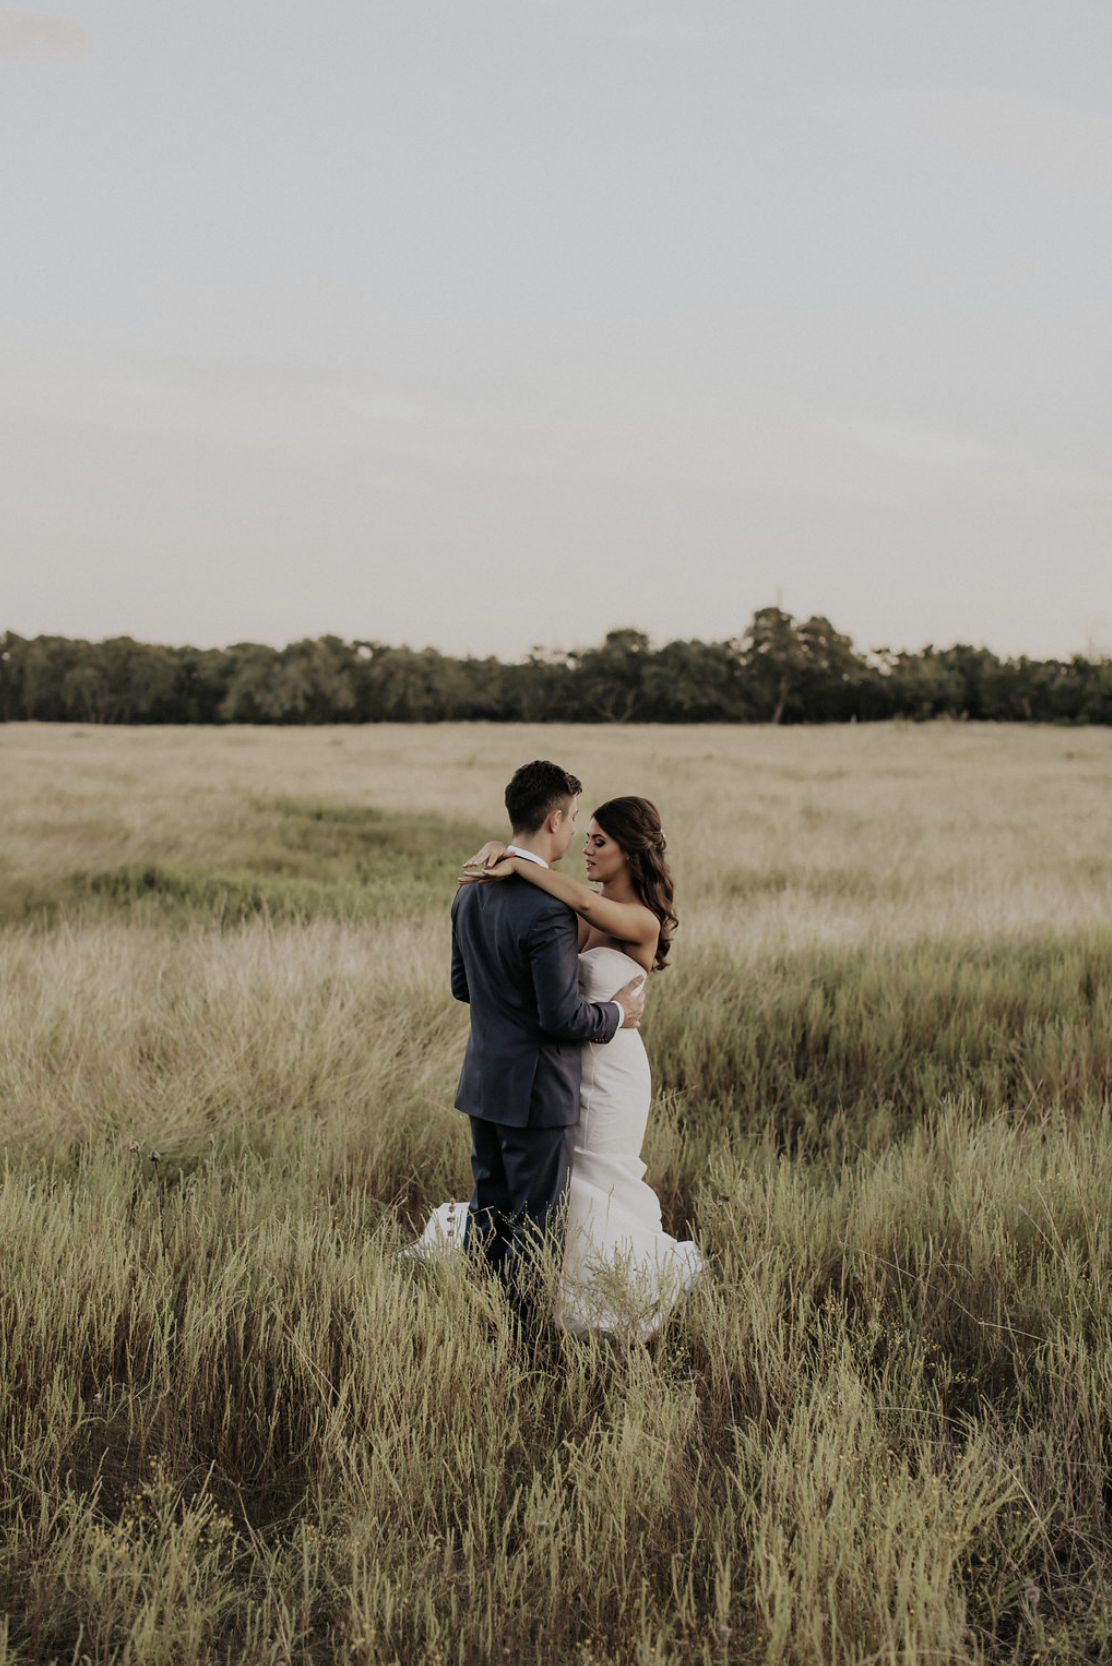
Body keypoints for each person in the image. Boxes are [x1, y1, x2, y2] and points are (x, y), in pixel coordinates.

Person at [417, 784, 703, 1342]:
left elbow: (587, 902)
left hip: (614, 1068)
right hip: (564, 1062)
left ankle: (599, 1299)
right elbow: (543, 950)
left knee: (594, 1180)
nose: (587, 849)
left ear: (630, 852)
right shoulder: (569, 913)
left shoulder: (637, 918)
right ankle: (541, 1298)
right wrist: (509, 851)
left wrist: (518, 858)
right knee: (555, 1187)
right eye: (584, 835)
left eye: (599, 841)